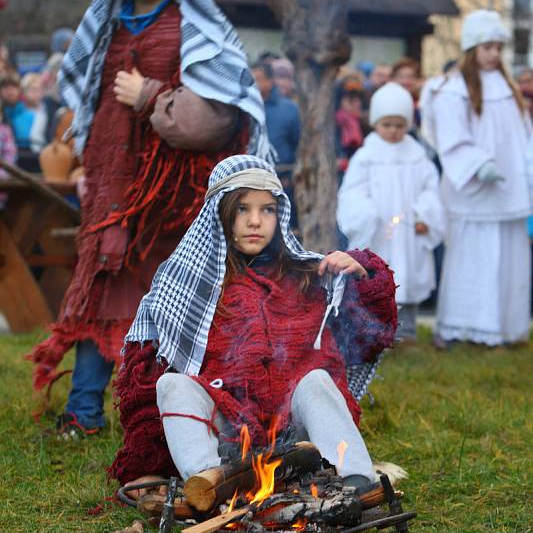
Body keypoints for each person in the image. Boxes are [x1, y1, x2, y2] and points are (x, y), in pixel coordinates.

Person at [30, 0, 268, 437]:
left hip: (169, 198)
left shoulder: (193, 27)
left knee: (170, 303)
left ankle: (170, 419)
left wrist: (152, 97)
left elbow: (220, 113)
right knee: (102, 296)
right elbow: (93, 106)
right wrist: (89, 170)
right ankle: (84, 414)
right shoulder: (110, 26)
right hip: (112, 189)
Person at [108, 155, 397, 494]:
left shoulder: (307, 277)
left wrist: (363, 273)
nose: (255, 221)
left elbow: (371, 334)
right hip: (228, 439)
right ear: (220, 213)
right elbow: (145, 386)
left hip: (296, 436)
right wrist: (146, 467)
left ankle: (357, 481)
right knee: (172, 385)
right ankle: (210, 484)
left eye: (267, 209)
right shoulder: (186, 288)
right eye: (243, 209)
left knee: (317, 379)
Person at [429, 9, 532, 346]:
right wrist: (476, 163)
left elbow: (523, 136)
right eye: (488, 47)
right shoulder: (454, 88)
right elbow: (451, 135)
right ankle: (463, 328)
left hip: (509, 192)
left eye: (499, 47)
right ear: (473, 48)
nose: (495, 54)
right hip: (474, 192)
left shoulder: (507, 87)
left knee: (507, 261)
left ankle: (504, 327)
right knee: (472, 262)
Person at [337, 83, 444, 341]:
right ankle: (375, 333)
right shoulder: (366, 156)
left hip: (408, 235)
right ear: (375, 123)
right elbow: (352, 191)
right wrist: (365, 213)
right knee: (378, 280)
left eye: (399, 124)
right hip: (378, 235)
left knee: (408, 277)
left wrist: (423, 215)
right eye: (387, 124)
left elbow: (431, 190)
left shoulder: (419, 157)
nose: (394, 131)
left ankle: (407, 331)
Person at [252, 60, 300, 222]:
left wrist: (292, 174)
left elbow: (298, 145)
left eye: (258, 79)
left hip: (281, 180)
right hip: (249, 178)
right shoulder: (244, 108)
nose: (254, 83)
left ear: (270, 81)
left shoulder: (289, 109)